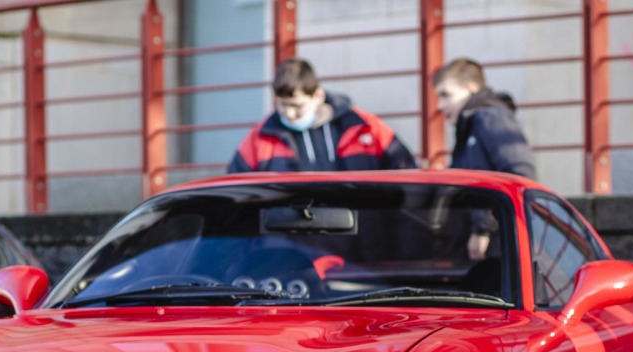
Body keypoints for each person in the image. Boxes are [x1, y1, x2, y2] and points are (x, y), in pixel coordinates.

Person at [228, 58, 417, 173]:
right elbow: (235, 189)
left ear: (318, 96)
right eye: (281, 105)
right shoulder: (261, 137)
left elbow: (406, 171)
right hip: (288, 230)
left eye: (297, 106)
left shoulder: (364, 127)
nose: (289, 114)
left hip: (361, 229)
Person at [432, 58, 536, 260]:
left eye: (446, 95)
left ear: (471, 88)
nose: (440, 105)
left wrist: (483, 229)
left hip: (498, 246)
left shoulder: (490, 118)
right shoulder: (470, 126)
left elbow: (520, 175)